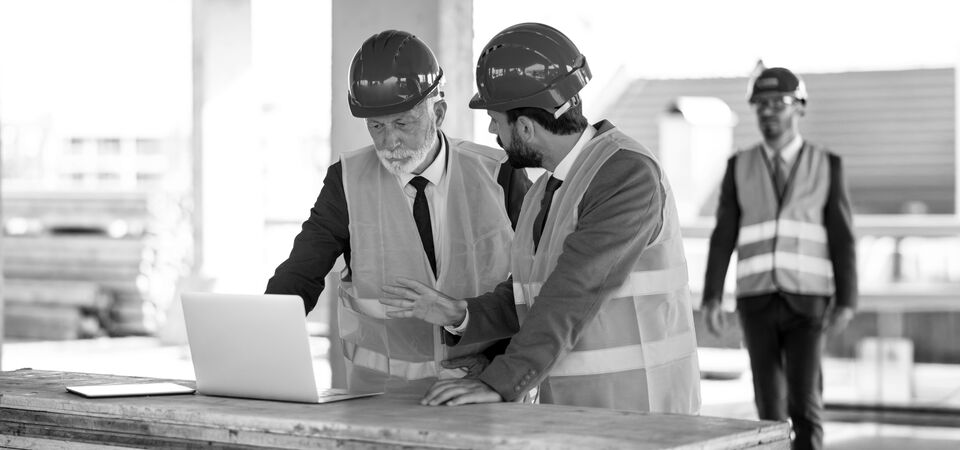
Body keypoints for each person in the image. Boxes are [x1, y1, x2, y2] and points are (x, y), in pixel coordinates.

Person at [380, 22, 701, 414]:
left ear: (526, 127)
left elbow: (573, 292)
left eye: (496, 121)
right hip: (575, 417)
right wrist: (460, 312)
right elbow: (527, 294)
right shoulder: (544, 190)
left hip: (643, 416)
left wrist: (500, 382)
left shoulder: (626, 175)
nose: (491, 131)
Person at [265, 29, 531, 395]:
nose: (389, 141)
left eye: (402, 123)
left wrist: (501, 363)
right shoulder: (346, 181)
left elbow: (536, 285)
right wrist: (262, 338)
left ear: (437, 113)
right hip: (380, 400)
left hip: (481, 393)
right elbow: (301, 272)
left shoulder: (500, 174)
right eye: (377, 126)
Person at [701, 67, 857, 450]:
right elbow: (724, 236)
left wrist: (847, 300)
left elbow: (842, 238)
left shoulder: (826, 165)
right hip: (757, 301)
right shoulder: (739, 166)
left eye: (778, 104)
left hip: (808, 301)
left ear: (799, 107)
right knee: (769, 410)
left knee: (805, 406)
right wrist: (711, 297)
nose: (768, 112)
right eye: (761, 105)